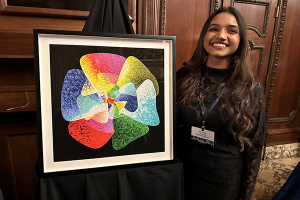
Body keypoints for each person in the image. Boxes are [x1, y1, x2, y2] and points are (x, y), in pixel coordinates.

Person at [176, 7, 265, 200]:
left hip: (223, 183)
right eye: (214, 29)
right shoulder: (183, 77)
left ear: (240, 39)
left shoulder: (250, 86)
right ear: (204, 36)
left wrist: (245, 196)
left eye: (231, 30)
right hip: (182, 175)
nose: (221, 35)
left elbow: (254, 150)